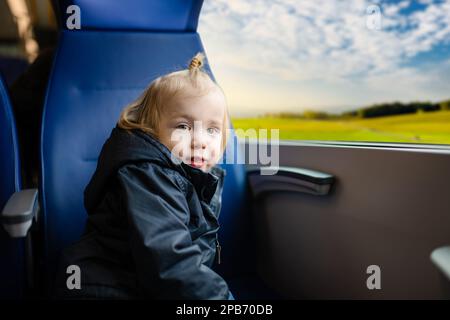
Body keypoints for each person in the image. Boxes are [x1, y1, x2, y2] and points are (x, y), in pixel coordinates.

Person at [54, 52, 234, 300]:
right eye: (183, 126)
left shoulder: (197, 176)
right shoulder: (148, 175)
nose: (200, 141)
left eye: (212, 129)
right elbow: (169, 261)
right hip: (102, 289)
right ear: (151, 131)